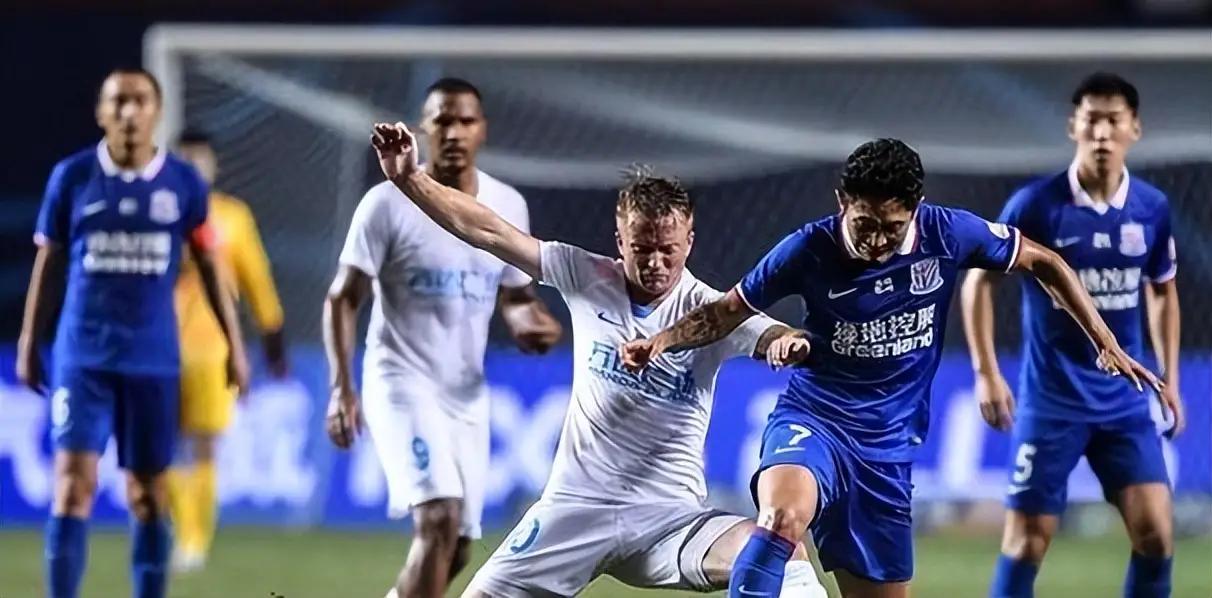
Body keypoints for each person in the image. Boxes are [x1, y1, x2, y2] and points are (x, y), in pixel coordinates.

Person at [621, 138, 1162, 598]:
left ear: (916, 208)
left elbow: (1046, 261)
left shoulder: (949, 234)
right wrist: (662, 341)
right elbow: (727, 310)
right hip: (816, 420)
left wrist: (1106, 341)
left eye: (891, 227)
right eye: (864, 224)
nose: (876, 240)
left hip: (887, 450)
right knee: (782, 517)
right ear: (842, 202)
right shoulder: (808, 249)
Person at [368, 120, 829, 597]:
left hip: (669, 520)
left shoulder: (709, 311)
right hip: (574, 511)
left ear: (689, 241)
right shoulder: (585, 275)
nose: (655, 263)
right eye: (642, 249)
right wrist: (410, 178)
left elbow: (772, 332)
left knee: (779, 551)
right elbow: (488, 230)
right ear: (620, 240)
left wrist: (787, 342)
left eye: (668, 250)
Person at [15, 68, 250, 598]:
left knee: (147, 493)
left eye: (139, 100)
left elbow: (210, 266)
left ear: (156, 112)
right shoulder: (72, 177)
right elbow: (48, 262)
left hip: (153, 358)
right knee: (73, 485)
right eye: (117, 101)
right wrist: (31, 341)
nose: (128, 112)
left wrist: (235, 346)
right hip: (84, 357)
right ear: (101, 113)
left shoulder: (183, 184)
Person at [323, 79, 562, 598]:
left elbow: (515, 296)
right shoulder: (385, 204)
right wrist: (341, 387)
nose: (454, 132)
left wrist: (529, 322)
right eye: (442, 121)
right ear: (424, 128)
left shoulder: (506, 204)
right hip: (400, 382)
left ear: (482, 130)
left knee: (456, 547)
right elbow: (343, 297)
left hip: (466, 395)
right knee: (438, 519)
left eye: (465, 121)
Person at [960, 72, 1183, 598]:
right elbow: (979, 284)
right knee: (1026, 542)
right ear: (1073, 127)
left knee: (1156, 534)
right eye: (1092, 120)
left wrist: (1170, 378)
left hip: (1124, 400)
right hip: (1052, 400)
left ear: (1134, 129)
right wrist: (986, 372)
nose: (1102, 132)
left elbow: (1162, 291)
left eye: (1113, 121)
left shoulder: (1151, 208)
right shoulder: (1035, 205)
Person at [169, 129, 290, 572]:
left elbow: (257, 280)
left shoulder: (232, 218)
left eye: (199, 158)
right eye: (184, 158)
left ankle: (193, 541)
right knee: (160, 448)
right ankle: (180, 528)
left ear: (213, 165)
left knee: (203, 447)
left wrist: (273, 338)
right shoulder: (159, 213)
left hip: (213, 350)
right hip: (159, 347)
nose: (193, 166)